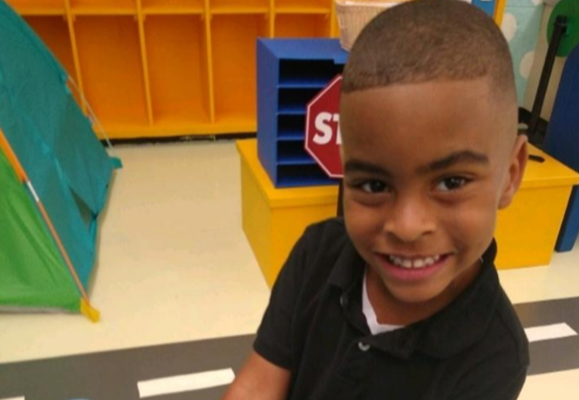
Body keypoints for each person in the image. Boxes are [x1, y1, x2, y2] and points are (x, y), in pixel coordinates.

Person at [222, 0, 530, 398]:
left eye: (451, 182)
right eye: (373, 185)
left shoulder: (497, 354)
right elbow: (258, 382)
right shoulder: (317, 254)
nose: (406, 225)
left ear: (511, 174)